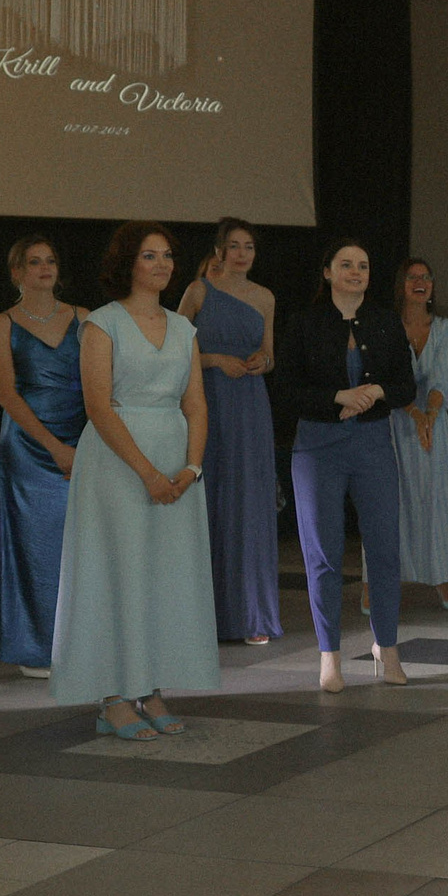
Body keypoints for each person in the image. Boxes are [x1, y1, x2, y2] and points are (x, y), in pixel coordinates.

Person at [49, 223, 220, 739]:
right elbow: (98, 407)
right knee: (117, 573)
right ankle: (113, 696)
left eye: (167, 256)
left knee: (163, 575)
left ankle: (150, 687)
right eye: (150, 256)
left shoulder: (184, 328)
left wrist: (190, 468)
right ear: (128, 264)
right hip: (119, 466)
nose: (163, 265)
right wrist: (147, 473)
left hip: (175, 463)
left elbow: (195, 403)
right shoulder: (102, 324)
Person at [274, 239, 416, 694]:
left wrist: (374, 393)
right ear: (328, 272)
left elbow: (405, 384)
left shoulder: (384, 320)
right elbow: (286, 391)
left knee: (385, 549)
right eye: (346, 265)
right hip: (317, 446)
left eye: (363, 265)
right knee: (323, 554)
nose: (356, 272)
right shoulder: (303, 323)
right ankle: (329, 656)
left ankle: (387, 647)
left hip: (372, 443)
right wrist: (337, 396)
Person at [0, 234, 86, 677]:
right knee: (35, 548)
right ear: (17, 273)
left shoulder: (83, 318)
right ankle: (37, 646)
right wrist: (55, 448)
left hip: (81, 441)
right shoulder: (2, 323)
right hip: (28, 448)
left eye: (51, 260)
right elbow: (7, 395)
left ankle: (81, 641)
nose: (45, 268)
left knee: (80, 547)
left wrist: (84, 444)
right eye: (34, 261)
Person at [179, 218, 280, 646]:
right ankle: (202, 616)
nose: (242, 253)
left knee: (248, 502)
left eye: (249, 246)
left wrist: (261, 362)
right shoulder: (199, 291)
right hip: (208, 402)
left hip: (251, 405)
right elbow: (172, 350)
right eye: (234, 245)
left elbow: (270, 355)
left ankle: (249, 614)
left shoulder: (264, 296)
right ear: (219, 250)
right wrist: (216, 359)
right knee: (211, 498)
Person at [392, 257, 448, 612]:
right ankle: (374, 580)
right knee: (389, 500)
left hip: (432, 424)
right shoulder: (386, 325)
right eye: (412, 277)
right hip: (391, 420)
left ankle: (442, 577)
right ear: (402, 284)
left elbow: (441, 377)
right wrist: (413, 412)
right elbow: (386, 378)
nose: (420, 282)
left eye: (426, 277)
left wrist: (430, 415)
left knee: (436, 498)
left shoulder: (446, 328)